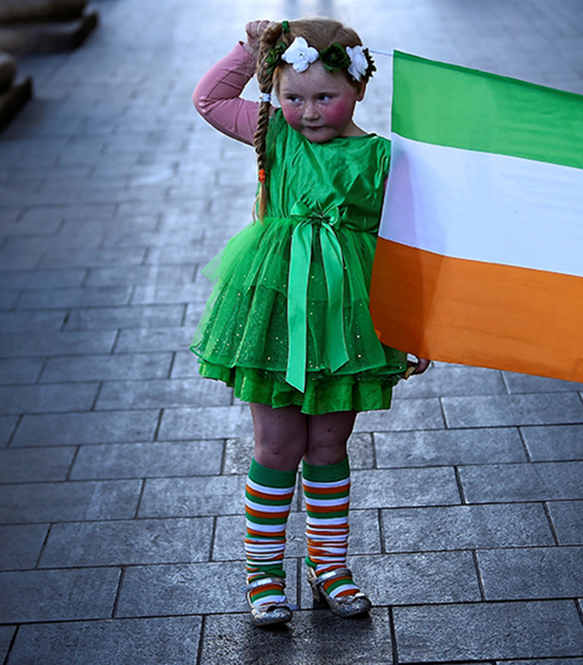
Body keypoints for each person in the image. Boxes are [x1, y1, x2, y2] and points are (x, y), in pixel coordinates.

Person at [190, 18, 430, 627]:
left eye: (325, 96)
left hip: (346, 325)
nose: (310, 111)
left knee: (328, 443)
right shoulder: (275, 135)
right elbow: (211, 100)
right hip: (273, 314)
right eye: (293, 96)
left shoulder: (382, 157)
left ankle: (330, 565)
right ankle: (263, 570)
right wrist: (251, 52)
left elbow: (408, 247)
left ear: (358, 89)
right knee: (277, 443)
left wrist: (417, 324)